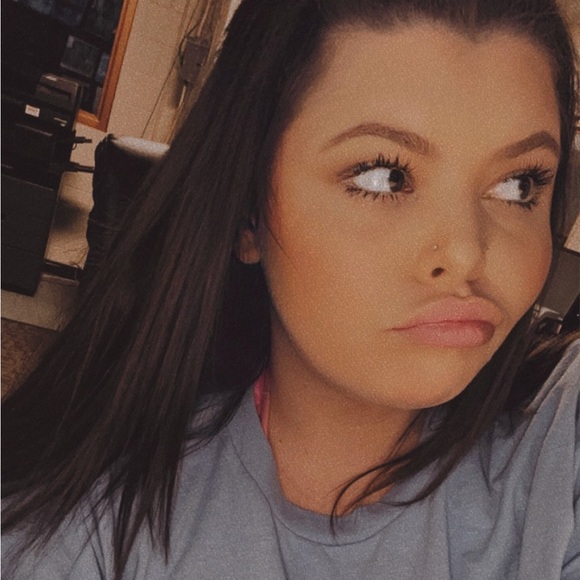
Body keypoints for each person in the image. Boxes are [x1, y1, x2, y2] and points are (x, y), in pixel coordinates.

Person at [2, 0, 579, 578]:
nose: (467, 253)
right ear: (249, 215)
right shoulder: (84, 534)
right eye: (385, 176)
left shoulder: (552, 472)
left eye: (518, 184)